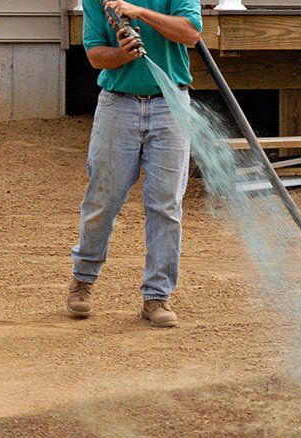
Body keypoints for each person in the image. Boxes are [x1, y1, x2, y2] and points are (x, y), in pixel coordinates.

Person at [66, 0, 202, 328]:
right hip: (118, 104)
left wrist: (140, 13)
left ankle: (157, 297)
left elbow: (190, 33)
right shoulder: (99, 1)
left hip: (170, 103)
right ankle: (82, 280)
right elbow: (96, 55)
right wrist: (124, 54)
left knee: (166, 206)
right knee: (102, 199)